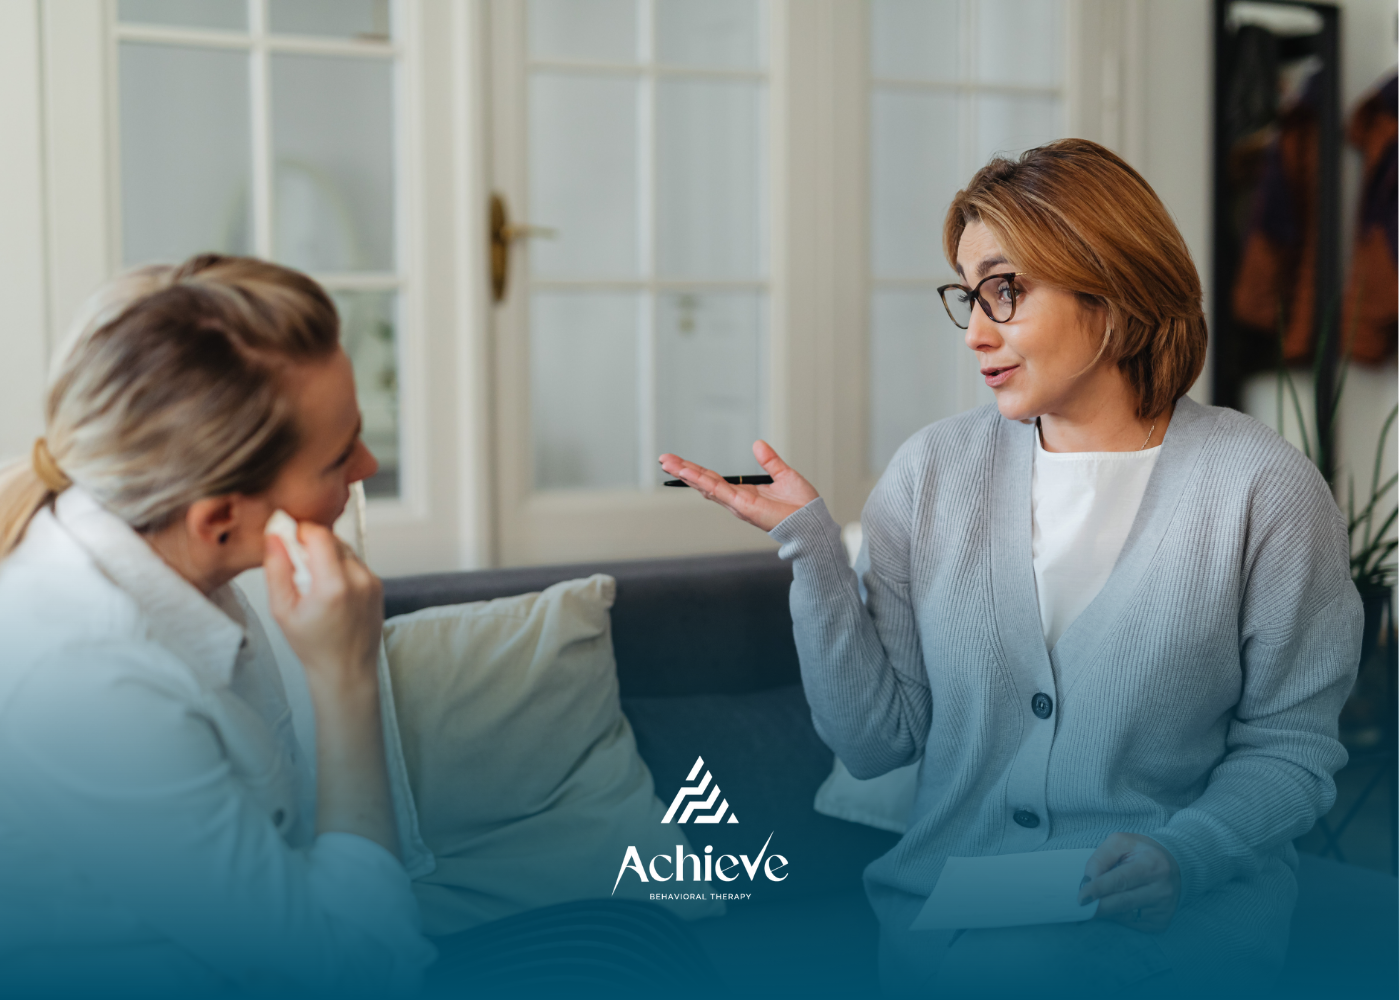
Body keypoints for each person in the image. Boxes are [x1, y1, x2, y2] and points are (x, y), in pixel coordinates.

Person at [659, 139, 1362, 997]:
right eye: (970, 296)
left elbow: (1290, 749)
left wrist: (1187, 852)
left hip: (1178, 933)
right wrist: (811, 548)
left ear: (1111, 287)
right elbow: (875, 742)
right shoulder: (929, 474)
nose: (978, 333)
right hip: (949, 937)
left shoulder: (1266, 489)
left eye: (1007, 290)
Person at [0, 256, 712, 999]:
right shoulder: (89, 689)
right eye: (339, 457)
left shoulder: (165, 558)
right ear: (218, 519)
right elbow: (351, 974)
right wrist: (345, 680)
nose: (368, 465)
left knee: (632, 938)